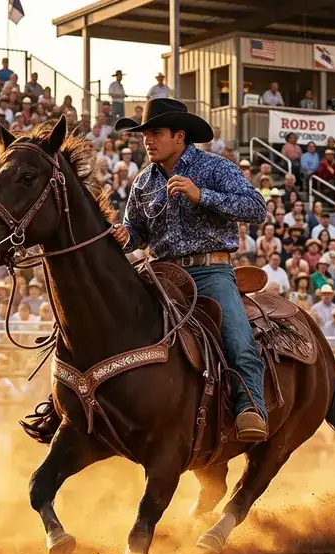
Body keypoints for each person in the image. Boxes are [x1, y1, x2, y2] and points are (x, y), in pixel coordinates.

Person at [112, 98, 269, 442]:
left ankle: (250, 407)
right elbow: (136, 232)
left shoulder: (216, 168)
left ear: (179, 135)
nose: (147, 140)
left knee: (237, 337)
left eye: (155, 133)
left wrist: (202, 196)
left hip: (210, 273)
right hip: (159, 273)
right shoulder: (142, 182)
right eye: (145, 134)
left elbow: (257, 209)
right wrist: (123, 237)